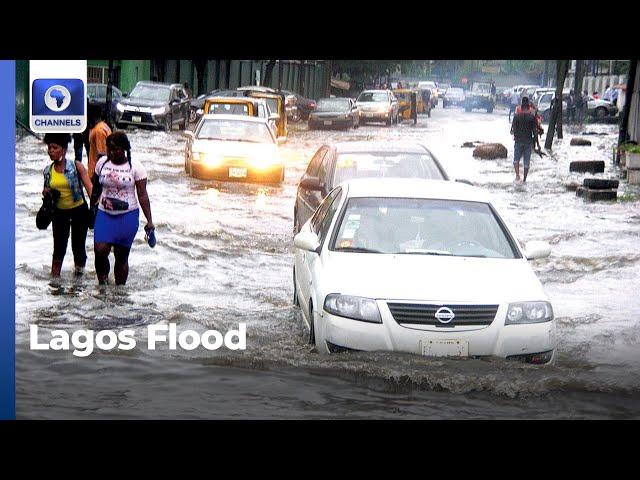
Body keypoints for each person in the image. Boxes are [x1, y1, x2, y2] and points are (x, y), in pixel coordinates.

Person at [91, 132, 154, 286]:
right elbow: (96, 189)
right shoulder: (102, 164)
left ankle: (119, 293)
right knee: (100, 251)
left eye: (116, 149)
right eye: (109, 149)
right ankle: (103, 284)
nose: (112, 152)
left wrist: (150, 221)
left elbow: (143, 195)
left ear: (125, 149)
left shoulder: (136, 168)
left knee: (121, 256)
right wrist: (91, 208)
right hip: (104, 214)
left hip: (127, 216)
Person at [42, 133, 93, 277]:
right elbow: (46, 191)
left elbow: (89, 188)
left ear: (64, 150)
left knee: (78, 248)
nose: (50, 150)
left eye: (54, 147)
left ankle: (78, 280)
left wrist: (97, 208)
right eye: (49, 147)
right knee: (58, 249)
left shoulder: (76, 166)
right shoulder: (47, 171)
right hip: (59, 213)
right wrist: (46, 193)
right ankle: (54, 281)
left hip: (79, 212)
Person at [510, 97, 538, 183]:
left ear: (521, 107)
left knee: (516, 159)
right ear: (528, 107)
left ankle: (517, 175)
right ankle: (525, 180)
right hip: (528, 142)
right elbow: (535, 132)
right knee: (526, 162)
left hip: (518, 141)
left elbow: (512, 130)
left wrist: (516, 135)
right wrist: (538, 144)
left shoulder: (516, 116)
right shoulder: (532, 117)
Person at [88, 107, 112, 179]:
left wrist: (96, 174)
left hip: (97, 172)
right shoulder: (104, 126)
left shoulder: (99, 130)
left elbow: (102, 154)